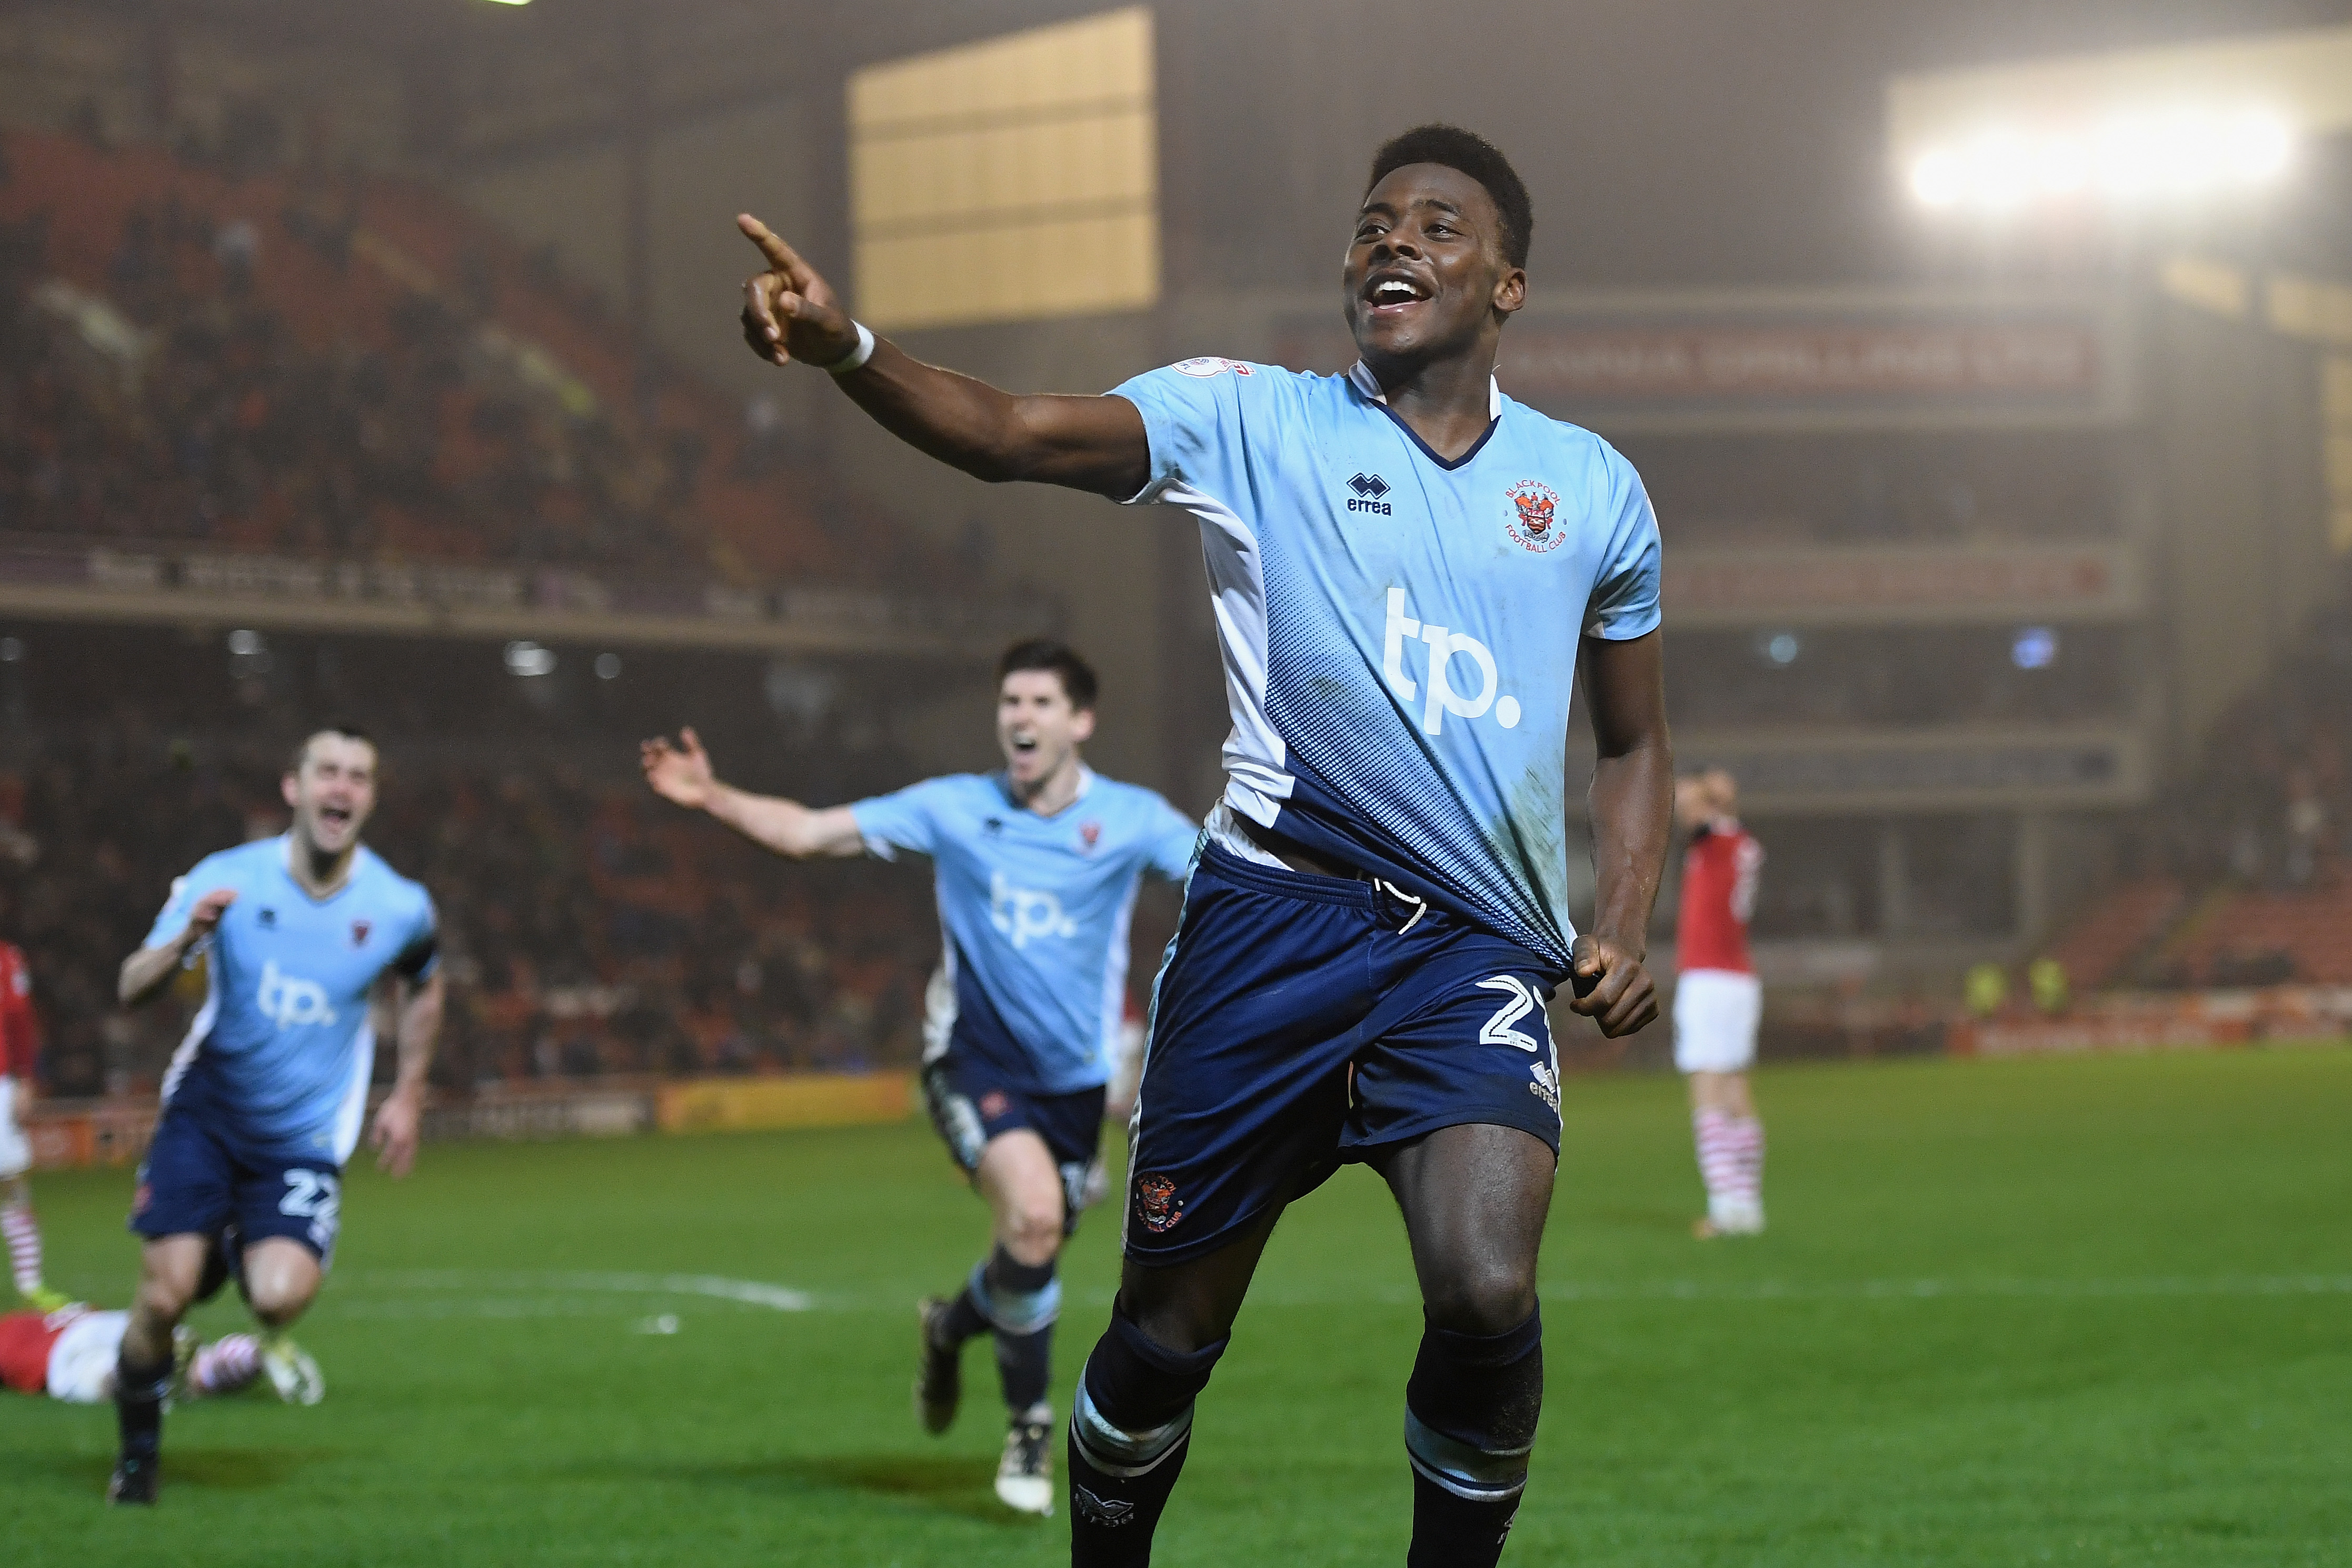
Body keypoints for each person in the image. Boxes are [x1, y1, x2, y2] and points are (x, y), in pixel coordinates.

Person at [732, 121, 1671, 1566]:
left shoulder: (1593, 490)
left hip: (1471, 946)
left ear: (1506, 286)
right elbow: (1007, 437)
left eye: (1433, 224)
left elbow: (1632, 741)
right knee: (1166, 1339)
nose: (1391, 243)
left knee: (1486, 1289)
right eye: (1371, 223)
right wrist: (851, 343)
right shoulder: (1250, 419)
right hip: (1263, 933)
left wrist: (1622, 912)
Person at [641, 640, 1197, 1517]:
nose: (1019, 715)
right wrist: (710, 793)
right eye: (1009, 699)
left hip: (1073, 1081)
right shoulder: (952, 807)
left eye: (1040, 702)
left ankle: (948, 1326)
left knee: (1029, 1248)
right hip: (971, 1058)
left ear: (1079, 721)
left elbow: (1225, 876)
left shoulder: (1130, 819)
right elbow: (810, 832)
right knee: (1037, 1215)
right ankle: (1030, 1425)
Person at [106, 725, 444, 1505]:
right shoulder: (226, 878)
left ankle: (224, 1242)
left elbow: (426, 979)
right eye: (328, 770)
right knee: (162, 1297)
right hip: (207, 1117)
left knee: (281, 1297)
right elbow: (131, 983)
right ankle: (136, 1460)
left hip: (301, 1139)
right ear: (293, 787)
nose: (343, 787)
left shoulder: (398, 905)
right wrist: (185, 940)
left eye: (359, 776)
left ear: (371, 797)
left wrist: (408, 1090)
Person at [1670, 770, 1767, 1239]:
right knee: (1735, 1088)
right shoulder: (1742, 844)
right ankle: (1747, 1204)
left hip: (1709, 979)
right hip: (1740, 980)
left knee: (1707, 1088)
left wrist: (1708, 793)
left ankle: (1724, 1206)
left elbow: (1700, 807)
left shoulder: (1714, 841)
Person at [1, 1297, 263, 1404]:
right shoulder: (19, 1319)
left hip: (62, 1357)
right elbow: (89, 1308)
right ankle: (240, 1357)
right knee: (157, 1337)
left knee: (106, 1378)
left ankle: (175, 1382)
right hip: (92, 1325)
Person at [0, 935, 69, 1312]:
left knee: (12, 1186)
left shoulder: (8, 959)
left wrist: (26, 1078)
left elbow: (21, 1022)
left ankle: (30, 1284)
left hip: (0, 1084)